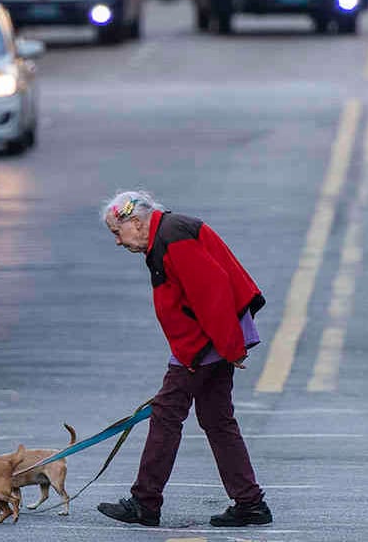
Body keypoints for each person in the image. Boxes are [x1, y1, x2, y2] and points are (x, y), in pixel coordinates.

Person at [96, 191, 272, 528]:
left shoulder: (173, 235)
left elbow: (212, 293)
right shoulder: (166, 234)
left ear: (135, 221)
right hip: (209, 341)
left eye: (116, 233)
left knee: (166, 414)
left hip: (204, 344)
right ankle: (250, 502)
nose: (117, 242)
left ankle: (145, 503)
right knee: (217, 419)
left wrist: (230, 347)